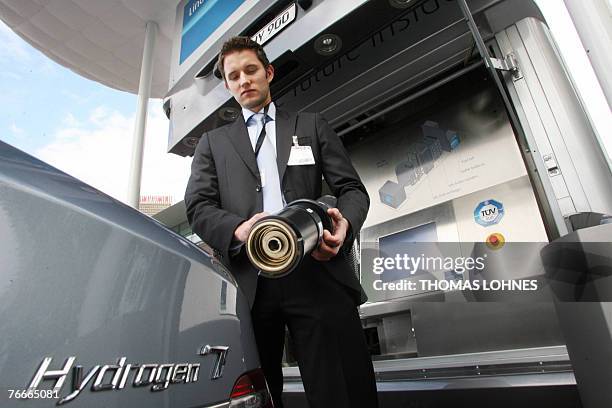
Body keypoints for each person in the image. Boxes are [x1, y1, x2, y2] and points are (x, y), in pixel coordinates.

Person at [185, 36, 378, 408]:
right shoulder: (212, 144)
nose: (244, 80)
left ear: (268, 73)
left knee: (344, 390)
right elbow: (198, 206)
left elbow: (352, 190)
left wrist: (345, 227)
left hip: (318, 270)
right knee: (256, 397)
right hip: (251, 284)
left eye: (251, 70)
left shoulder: (311, 125)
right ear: (227, 84)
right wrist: (238, 230)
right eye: (234, 75)